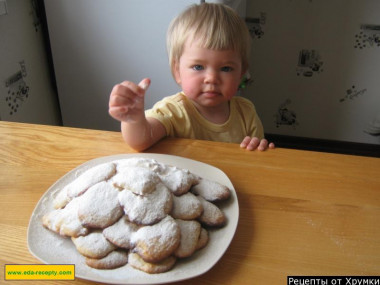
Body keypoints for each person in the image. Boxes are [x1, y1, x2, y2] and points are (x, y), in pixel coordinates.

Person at [108, 3, 274, 152]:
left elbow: (256, 157)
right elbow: (140, 141)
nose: (211, 78)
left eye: (225, 68)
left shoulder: (246, 113)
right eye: (198, 67)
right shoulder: (174, 111)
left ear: (241, 73)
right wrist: (133, 120)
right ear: (177, 71)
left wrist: (258, 147)